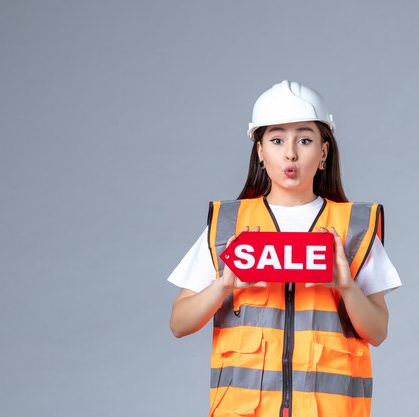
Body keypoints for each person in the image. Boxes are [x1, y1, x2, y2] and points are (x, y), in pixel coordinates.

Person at [168, 80, 402, 417]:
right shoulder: (228, 225)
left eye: (304, 140)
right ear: (261, 151)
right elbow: (179, 323)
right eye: (277, 140)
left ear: (323, 152)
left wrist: (346, 286)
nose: (290, 153)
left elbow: (378, 332)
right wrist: (223, 284)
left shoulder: (354, 227)